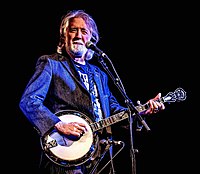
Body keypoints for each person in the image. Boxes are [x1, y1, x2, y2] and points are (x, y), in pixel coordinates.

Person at [19, 9, 165, 174]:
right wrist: (58, 125)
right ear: (63, 37)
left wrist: (142, 111)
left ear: (91, 39)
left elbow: (114, 112)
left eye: (84, 31)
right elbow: (29, 101)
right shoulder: (51, 64)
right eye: (73, 30)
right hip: (66, 155)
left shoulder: (100, 74)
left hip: (101, 156)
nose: (78, 36)